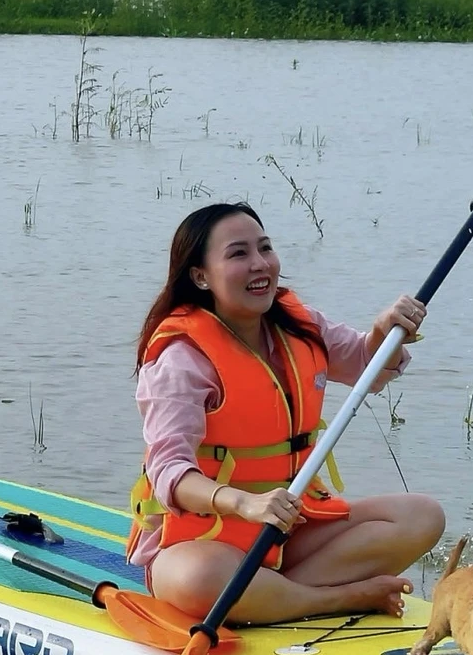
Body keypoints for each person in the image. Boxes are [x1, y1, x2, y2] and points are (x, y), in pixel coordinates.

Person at [128, 202, 445, 625]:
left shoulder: (298, 323)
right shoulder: (181, 359)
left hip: (289, 526)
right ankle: (335, 598)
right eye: (238, 254)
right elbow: (168, 472)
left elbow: (365, 367)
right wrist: (245, 504)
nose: (260, 265)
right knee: (201, 578)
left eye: (265, 248)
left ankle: (273, 597)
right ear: (200, 276)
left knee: (422, 516)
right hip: (203, 539)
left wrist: (382, 334)